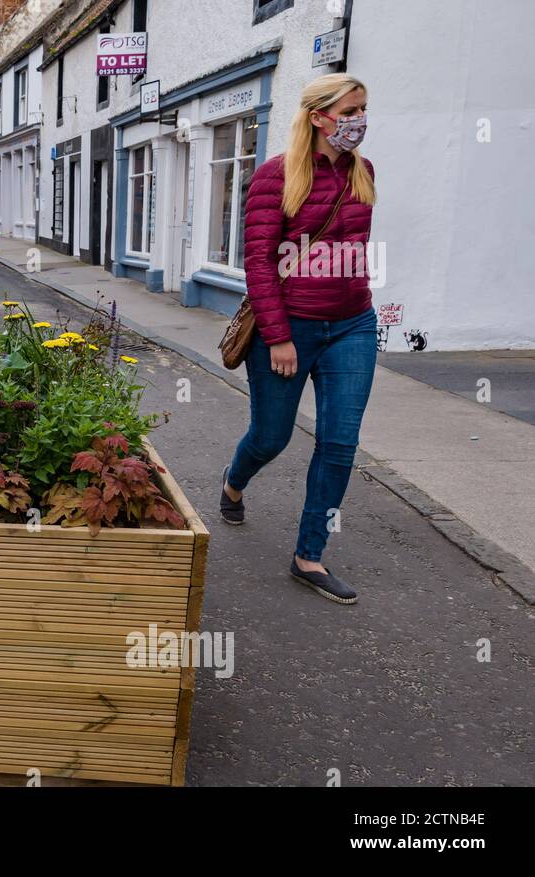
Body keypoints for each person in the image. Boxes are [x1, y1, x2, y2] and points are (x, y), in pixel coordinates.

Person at [220, 72, 377, 605]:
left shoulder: (363, 172)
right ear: (318, 117)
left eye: (362, 110)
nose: (358, 121)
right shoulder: (274, 176)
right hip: (287, 329)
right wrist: (280, 336)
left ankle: (309, 555)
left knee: (340, 443)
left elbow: (352, 247)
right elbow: (260, 264)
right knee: (272, 437)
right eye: (349, 111)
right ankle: (233, 480)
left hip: (353, 325)